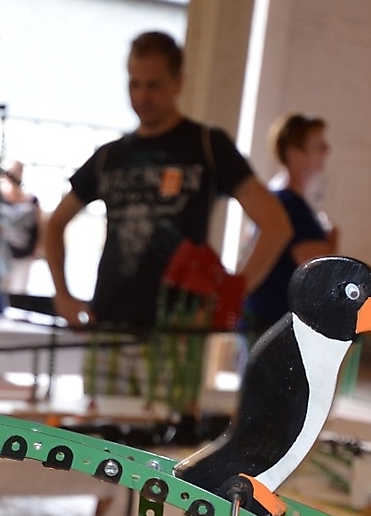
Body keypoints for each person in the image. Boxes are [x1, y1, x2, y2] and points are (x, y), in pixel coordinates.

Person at [45, 32, 291, 330]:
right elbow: (55, 224)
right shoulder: (110, 157)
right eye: (134, 84)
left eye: (153, 85)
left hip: (180, 331)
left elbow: (276, 225)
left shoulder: (207, 146)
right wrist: (62, 295)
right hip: (108, 324)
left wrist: (229, 296)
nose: (142, 96)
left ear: (178, 83)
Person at [242, 114, 339, 332]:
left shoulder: (277, 197)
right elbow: (319, 270)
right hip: (272, 322)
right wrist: (333, 238)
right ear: (294, 153)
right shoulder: (289, 204)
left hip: (265, 320)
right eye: (318, 145)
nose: (327, 150)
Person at [0, 161, 42, 296]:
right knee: (1, 286)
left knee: (19, 289)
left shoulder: (32, 200)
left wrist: (38, 247)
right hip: (2, 251)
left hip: (25, 250)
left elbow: (40, 225)